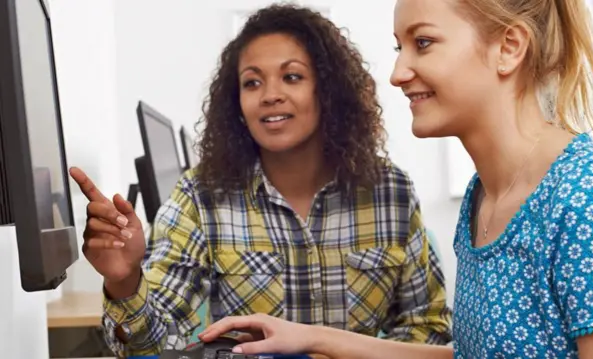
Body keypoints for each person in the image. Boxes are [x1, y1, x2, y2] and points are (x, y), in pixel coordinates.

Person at [199, 0, 593, 358]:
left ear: (509, 47)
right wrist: (314, 338)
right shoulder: (484, 195)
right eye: (399, 48)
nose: (397, 74)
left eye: (423, 43)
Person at [68, 4, 453, 358]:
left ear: (328, 91)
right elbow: (153, 345)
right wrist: (125, 281)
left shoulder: (390, 193)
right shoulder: (201, 197)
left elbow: (428, 329)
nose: (270, 95)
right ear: (235, 102)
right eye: (252, 83)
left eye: (291, 77)